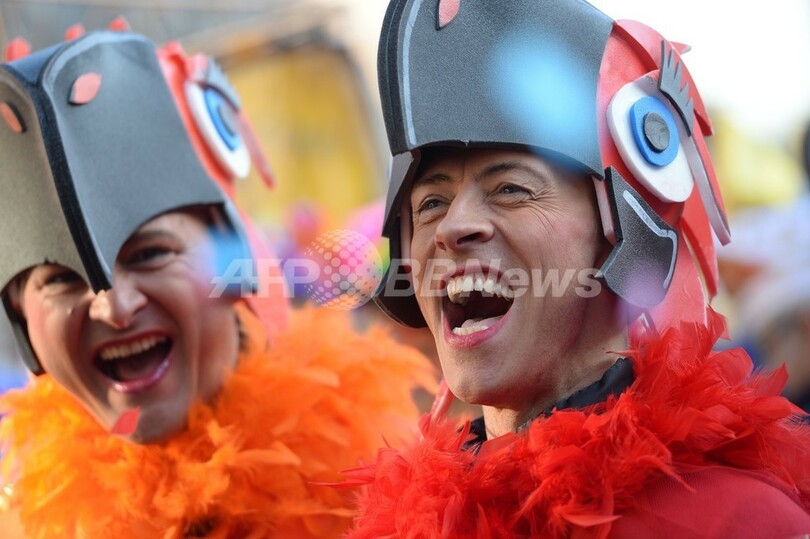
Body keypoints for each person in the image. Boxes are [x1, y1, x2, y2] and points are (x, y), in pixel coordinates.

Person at [342, 1, 810, 537]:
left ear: (623, 228)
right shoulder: (403, 524)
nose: (453, 227)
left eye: (510, 189)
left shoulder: (740, 522)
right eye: (430, 203)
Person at [0, 26, 433, 537]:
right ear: (20, 315)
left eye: (150, 254)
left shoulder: (377, 478)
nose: (113, 307)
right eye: (60, 280)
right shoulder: (29, 512)